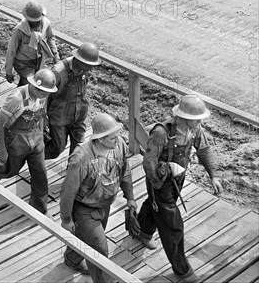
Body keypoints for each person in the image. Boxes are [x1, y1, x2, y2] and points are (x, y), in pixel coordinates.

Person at [136, 94, 222, 283]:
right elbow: (149, 162)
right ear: (182, 117)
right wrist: (158, 185)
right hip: (160, 181)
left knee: (154, 206)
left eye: (199, 119)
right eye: (195, 119)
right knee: (173, 226)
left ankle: (142, 231)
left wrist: (213, 176)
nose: (199, 122)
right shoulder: (161, 133)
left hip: (177, 180)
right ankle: (182, 270)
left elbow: (204, 150)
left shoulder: (195, 130)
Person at [60, 113, 136, 280]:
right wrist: (66, 219)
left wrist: (130, 197)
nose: (117, 141)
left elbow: (125, 172)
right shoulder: (81, 158)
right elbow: (68, 191)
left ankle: (72, 259)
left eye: (117, 136)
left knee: (84, 236)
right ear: (100, 139)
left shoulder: (119, 145)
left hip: (104, 205)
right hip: (84, 210)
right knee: (99, 252)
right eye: (112, 138)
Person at [0, 69, 57, 214]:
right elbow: (0, 124)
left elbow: (41, 114)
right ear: (33, 85)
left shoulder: (44, 95)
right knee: (12, 170)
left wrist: (41, 137)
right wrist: (3, 150)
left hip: (36, 138)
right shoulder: (16, 98)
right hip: (16, 140)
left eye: (47, 92)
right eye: (41, 91)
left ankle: (38, 210)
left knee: (40, 175)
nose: (44, 94)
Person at [46, 42, 101, 160]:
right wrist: (43, 119)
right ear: (80, 61)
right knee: (58, 148)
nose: (91, 68)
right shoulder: (59, 72)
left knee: (79, 148)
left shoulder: (84, 70)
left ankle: (73, 174)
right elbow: (45, 95)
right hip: (59, 116)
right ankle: (34, 158)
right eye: (89, 65)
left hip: (79, 114)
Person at [5, 0, 60, 86]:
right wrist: (8, 71)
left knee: (34, 82)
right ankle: (19, 97)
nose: (35, 23)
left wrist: (55, 56)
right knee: (32, 84)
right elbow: (11, 51)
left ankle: (21, 95)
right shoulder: (19, 30)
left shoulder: (46, 24)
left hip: (38, 60)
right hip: (23, 63)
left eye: (37, 20)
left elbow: (50, 38)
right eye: (32, 21)